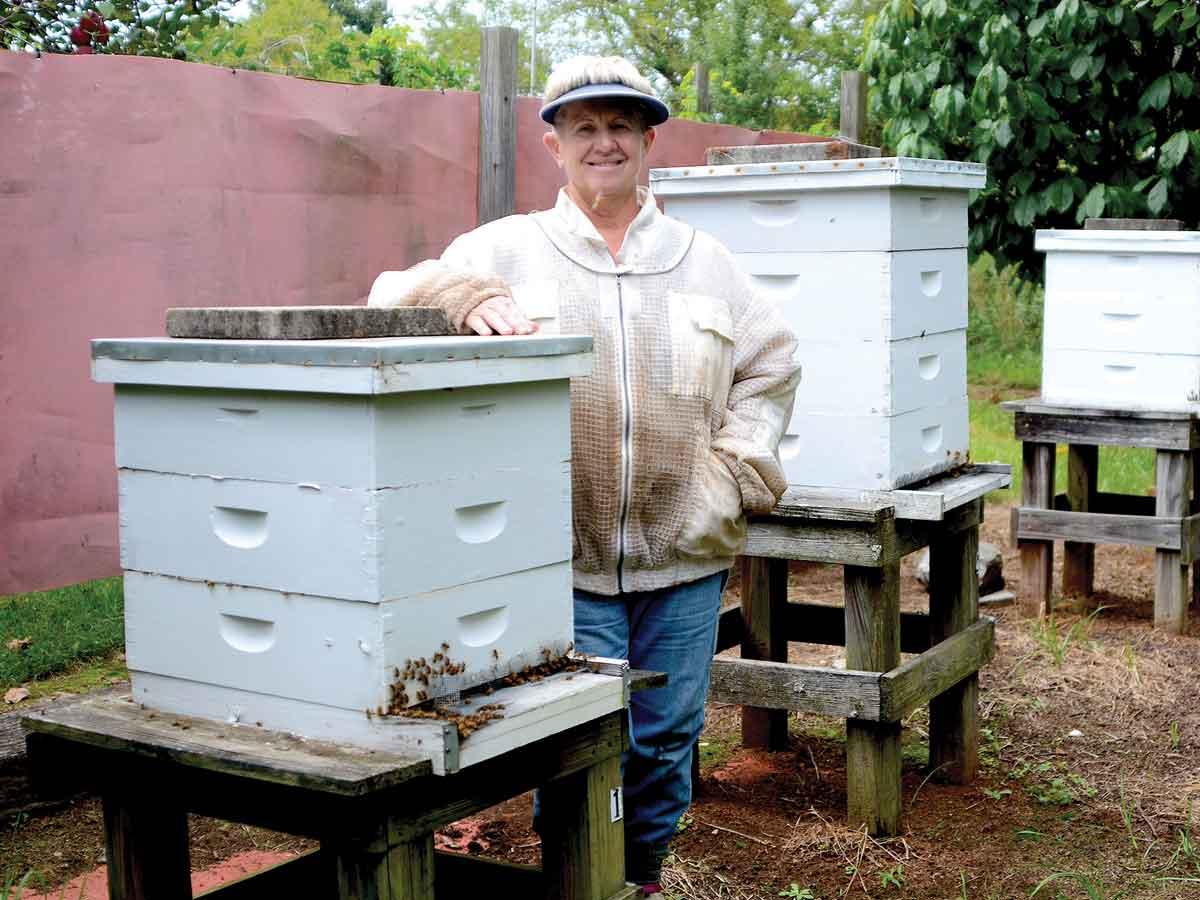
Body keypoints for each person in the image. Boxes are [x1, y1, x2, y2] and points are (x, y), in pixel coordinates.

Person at [368, 55, 801, 895]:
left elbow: (773, 366)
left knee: (667, 736)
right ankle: (576, 878)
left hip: (685, 551)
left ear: (647, 142)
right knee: (579, 741)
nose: (603, 142)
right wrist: (460, 298)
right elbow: (391, 294)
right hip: (556, 556)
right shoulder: (506, 247)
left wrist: (735, 473)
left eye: (620, 127)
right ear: (554, 145)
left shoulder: (704, 260)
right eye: (584, 127)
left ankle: (637, 877)